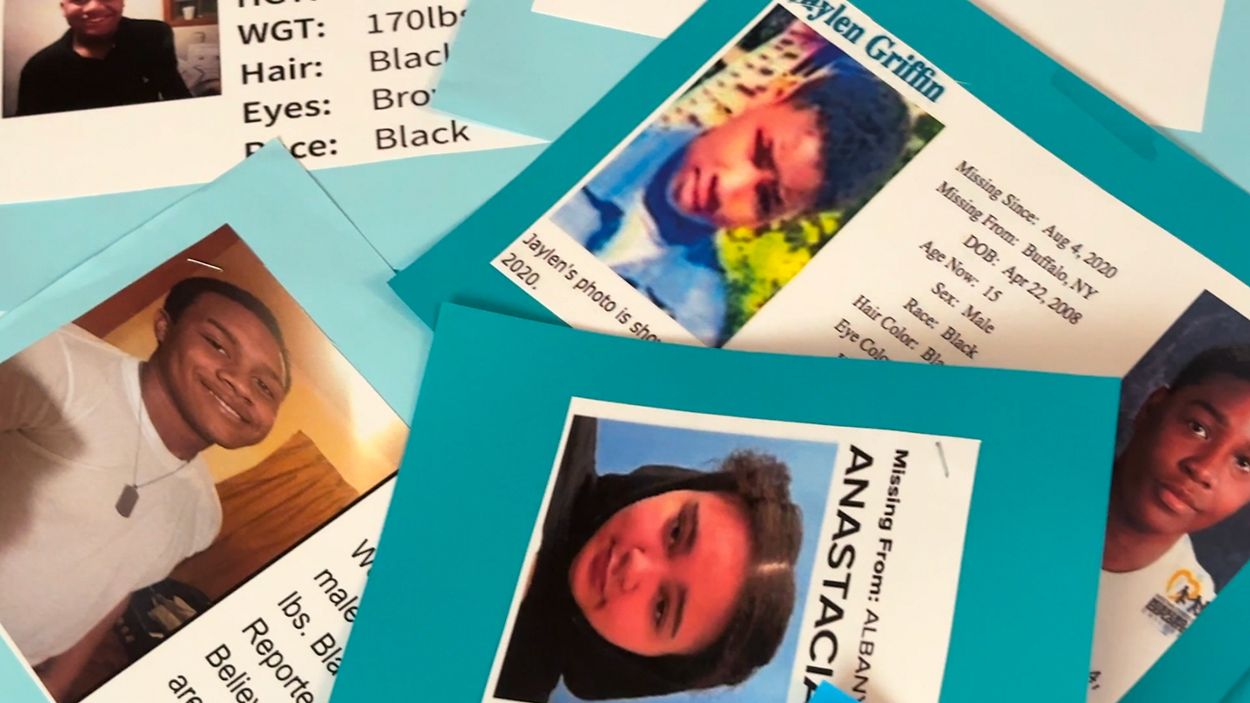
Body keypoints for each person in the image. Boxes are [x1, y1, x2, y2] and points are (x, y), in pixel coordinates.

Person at [0, 278, 290, 700]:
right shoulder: (55, 365)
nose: (239, 384)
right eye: (217, 345)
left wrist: (55, 686)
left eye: (265, 386)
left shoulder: (203, 516)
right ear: (164, 327)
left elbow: (117, 589)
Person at [553, 40, 909, 346]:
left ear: (786, 218)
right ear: (771, 96)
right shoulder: (588, 126)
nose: (729, 186)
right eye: (759, 150)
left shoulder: (694, 316)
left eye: (766, 198)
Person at [495, 416, 803, 702]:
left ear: (647, 662)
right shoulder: (555, 421)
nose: (634, 567)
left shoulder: (507, 688)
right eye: (676, 532)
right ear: (672, 488)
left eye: (660, 609)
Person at [1089, 346, 1250, 700]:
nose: (1204, 469)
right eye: (1198, 428)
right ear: (1152, 408)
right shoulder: (1013, 481)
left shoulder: (1200, 634)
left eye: (1244, 463)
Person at [16, 0, 191, 117]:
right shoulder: (41, 69)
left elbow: (176, 94)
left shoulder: (154, 35)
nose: (94, 7)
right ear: (63, 8)